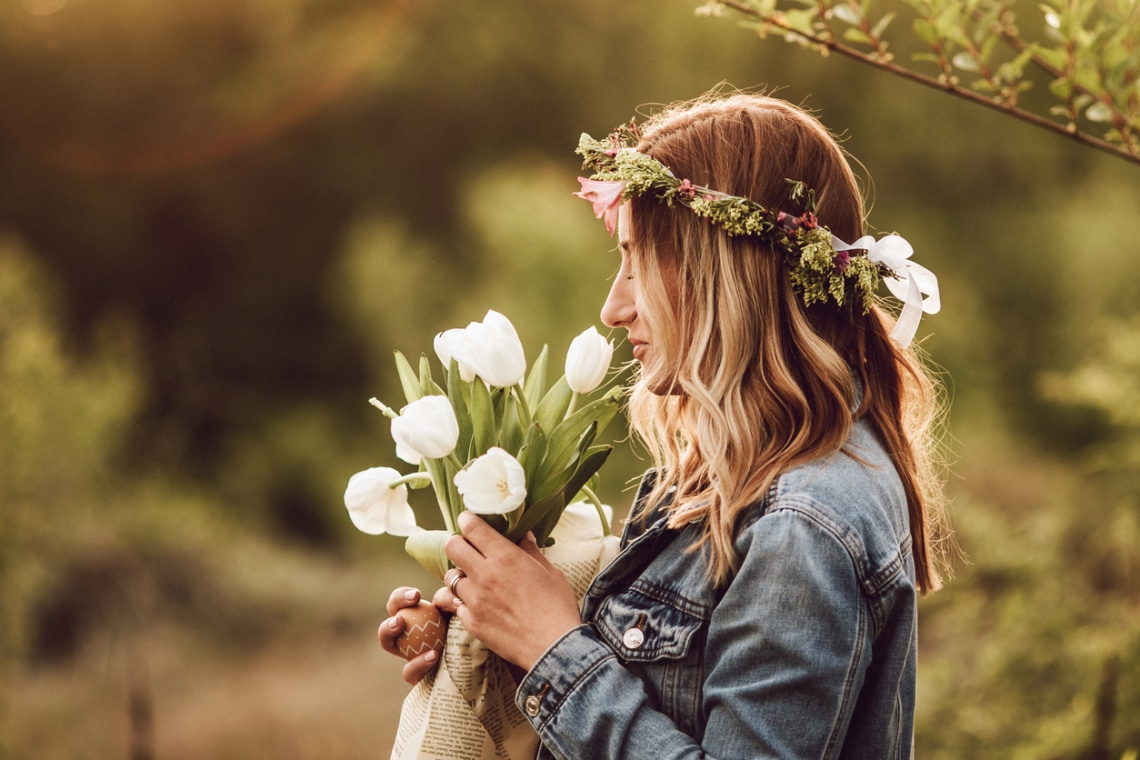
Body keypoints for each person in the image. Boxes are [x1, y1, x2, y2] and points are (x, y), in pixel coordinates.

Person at [379, 90, 948, 759]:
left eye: (637, 260)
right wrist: (495, 640)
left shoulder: (802, 525)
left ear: (722, 277)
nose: (613, 306)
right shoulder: (727, 479)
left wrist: (550, 647)